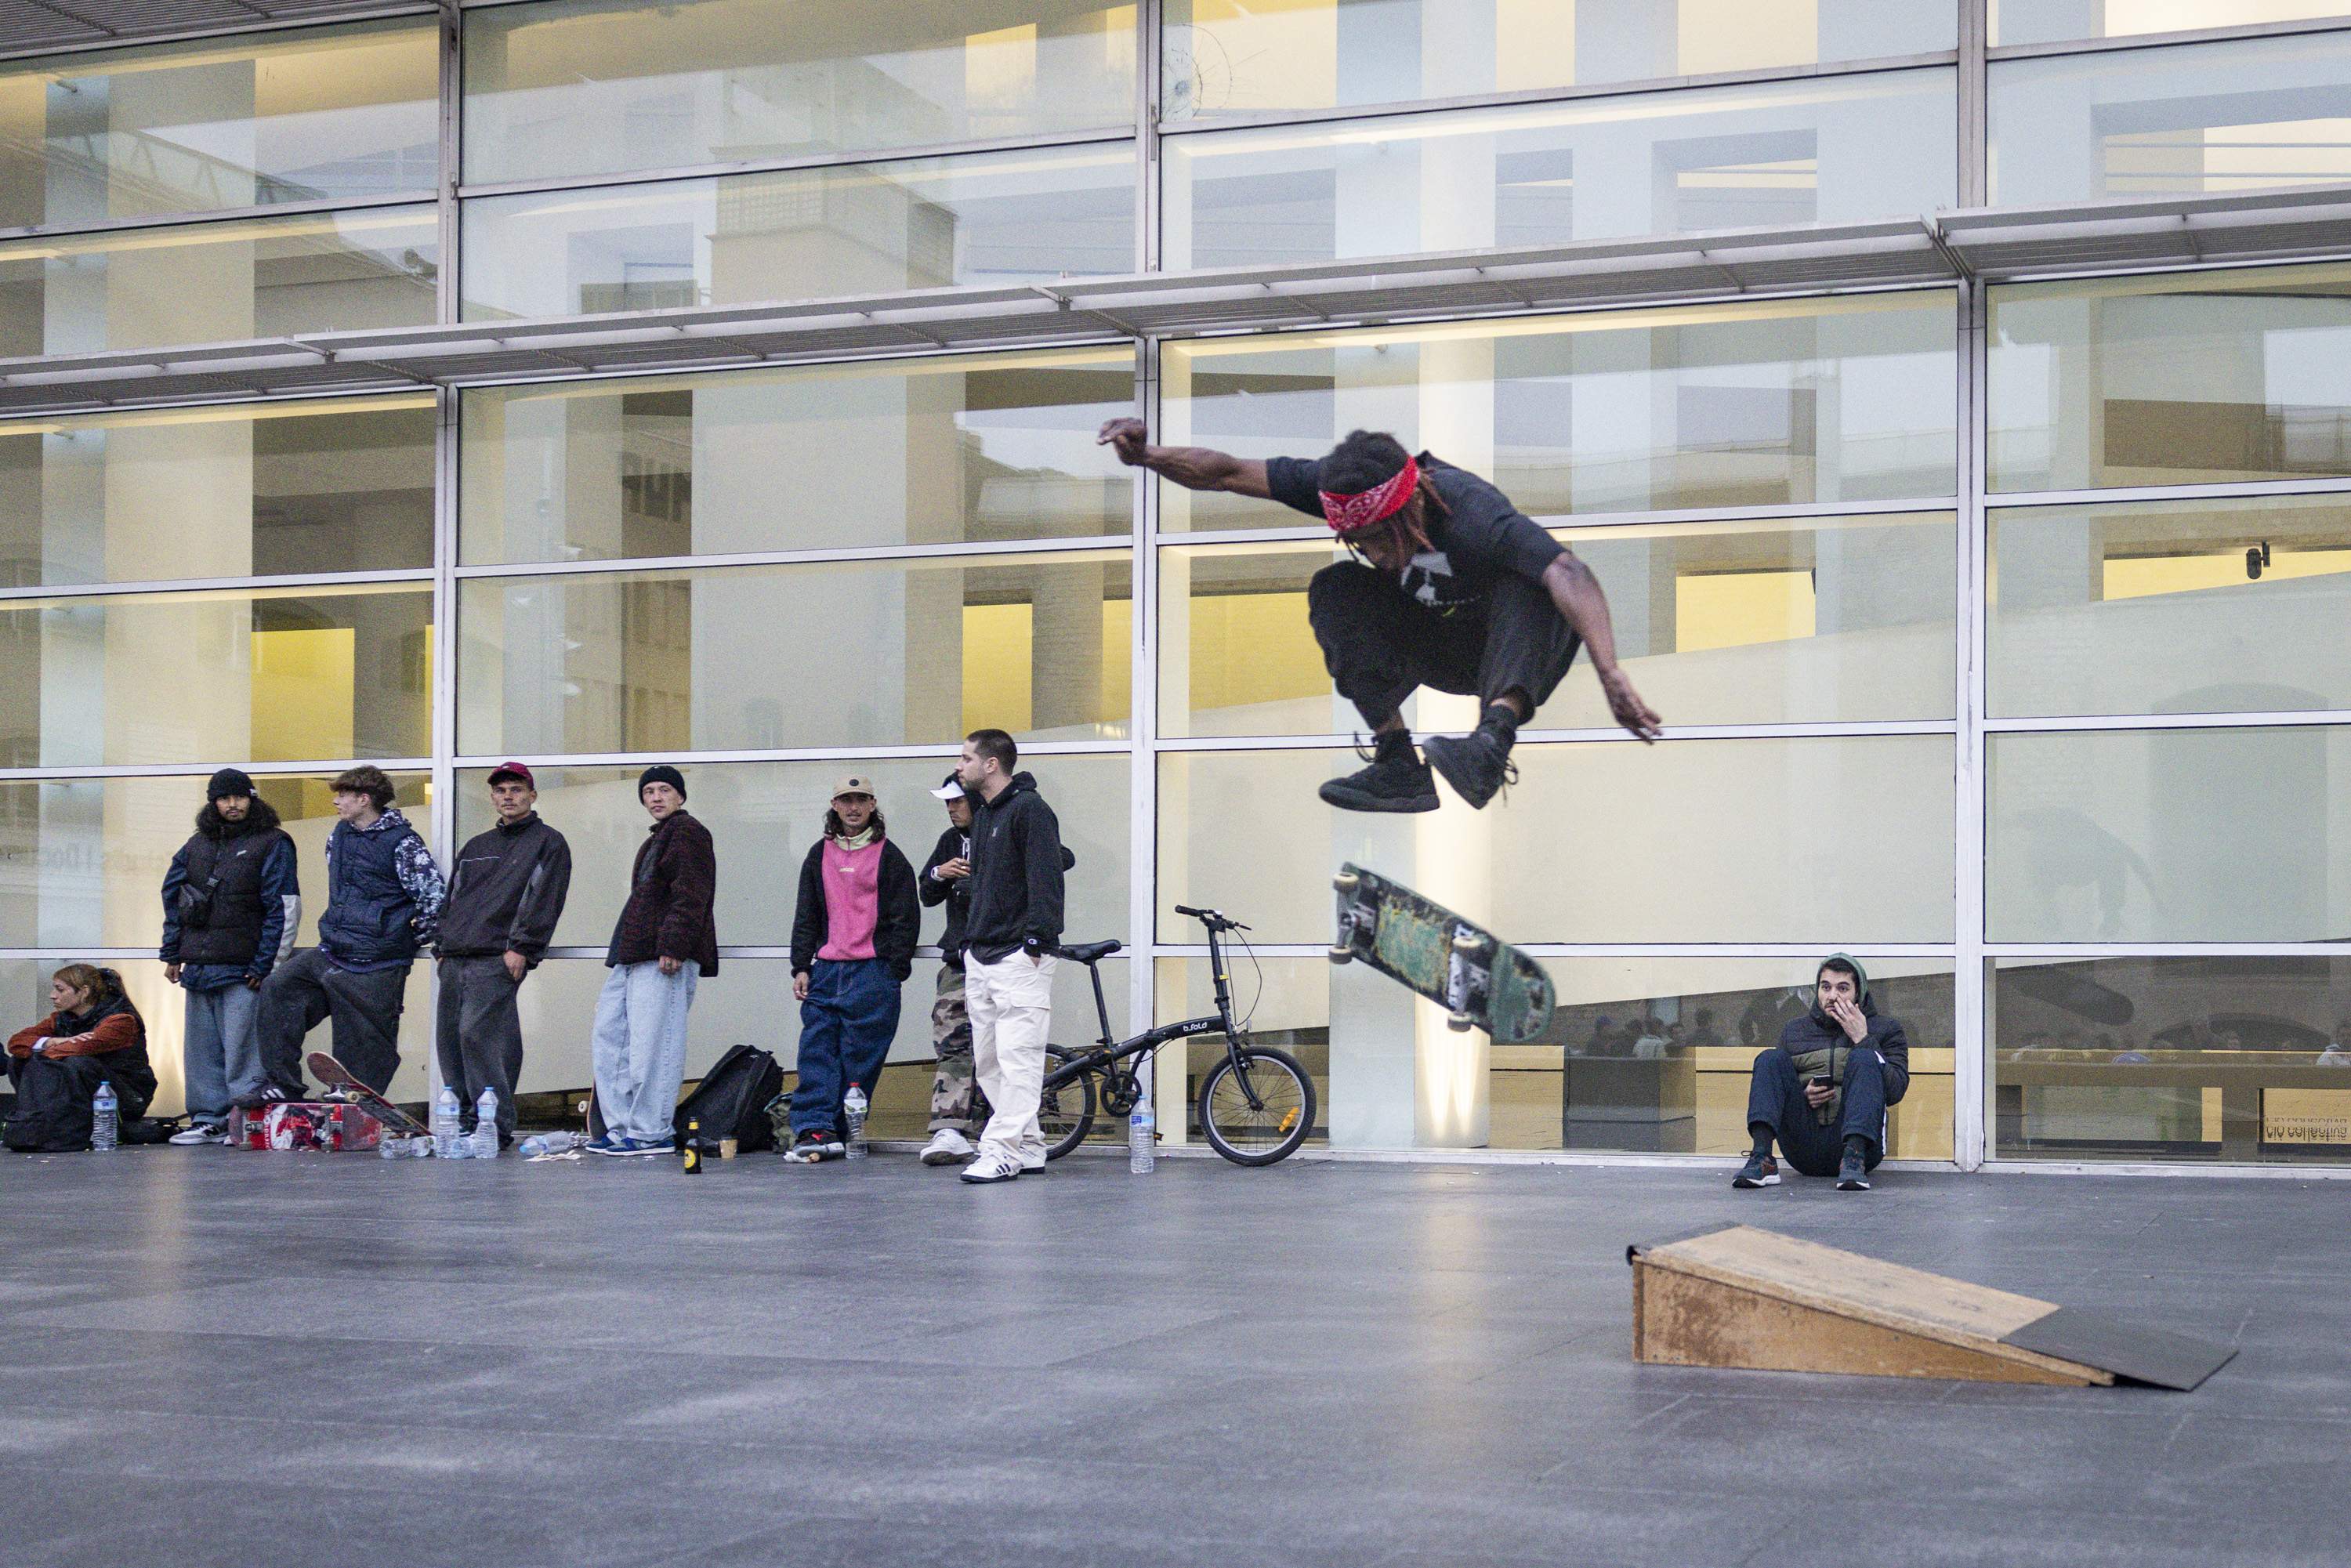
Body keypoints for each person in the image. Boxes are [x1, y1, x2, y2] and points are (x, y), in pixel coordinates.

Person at [1098, 418, 1661, 811]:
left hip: (1512, 650)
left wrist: (1611, 671)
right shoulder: (1335, 487)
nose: (1375, 553)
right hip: (1440, 643)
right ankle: (1397, 763)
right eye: (1359, 540)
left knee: (1531, 580)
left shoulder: (1470, 513)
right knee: (1336, 587)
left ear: (1411, 507)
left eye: (1381, 538)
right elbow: (1223, 471)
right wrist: (1146, 457)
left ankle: (1492, 742)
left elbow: (1570, 572)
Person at [255, 766, 443, 1099]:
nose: (336, 802)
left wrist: (404, 937)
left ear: (364, 799)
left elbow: (433, 898)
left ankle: (354, 1099)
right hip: (332, 950)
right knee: (278, 989)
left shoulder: (404, 843)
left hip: (377, 962)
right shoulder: (339, 835)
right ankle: (282, 1085)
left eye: (342, 795)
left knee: (364, 1041)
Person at [157, 768, 299, 1145]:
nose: (232, 804)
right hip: (200, 965)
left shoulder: (273, 843)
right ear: (213, 802)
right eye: (223, 798)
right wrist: (173, 952)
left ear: (252, 798)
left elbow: (283, 908)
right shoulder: (195, 845)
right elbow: (175, 900)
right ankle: (208, 1119)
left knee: (243, 1050)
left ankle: (244, 1119)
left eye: (238, 797)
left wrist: (267, 964)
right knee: (200, 1051)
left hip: (244, 967)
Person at [435, 762, 573, 1148]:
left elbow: (546, 899)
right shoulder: (477, 845)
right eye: (501, 790)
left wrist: (522, 949)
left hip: (498, 957)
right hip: (455, 957)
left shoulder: (548, 841)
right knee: (451, 1040)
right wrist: (440, 947)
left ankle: (492, 1124)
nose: (508, 796)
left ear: (532, 795)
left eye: (516, 789)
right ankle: (466, 1121)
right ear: (493, 797)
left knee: (477, 1036)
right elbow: (451, 899)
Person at [783, 777, 919, 1163]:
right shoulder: (818, 854)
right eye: (846, 800)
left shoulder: (890, 856)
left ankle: (839, 1131)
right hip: (826, 969)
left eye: (861, 800)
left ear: (873, 804)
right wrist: (801, 965)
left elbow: (906, 916)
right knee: (817, 1052)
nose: (854, 807)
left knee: (861, 1060)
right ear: (835, 805)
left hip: (873, 972)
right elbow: (806, 913)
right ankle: (814, 1129)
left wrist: (895, 967)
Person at [954, 729, 1066, 1185]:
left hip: (1021, 957)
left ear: (992, 764)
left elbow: (1048, 879)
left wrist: (1038, 941)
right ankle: (1029, 1145)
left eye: (965, 759)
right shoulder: (984, 815)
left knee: (1019, 1060)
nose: (959, 767)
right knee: (990, 1062)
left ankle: (999, 1149)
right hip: (981, 955)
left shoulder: (1031, 811)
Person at [589, 764, 718, 1157]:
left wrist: (675, 946)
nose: (656, 798)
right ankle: (623, 1127)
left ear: (680, 796)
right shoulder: (660, 838)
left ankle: (651, 1131)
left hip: (664, 956)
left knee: (654, 1044)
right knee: (611, 1038)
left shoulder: (688, 832)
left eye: (664, 790)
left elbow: (692, 893)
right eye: (649, 792)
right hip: (635, 954)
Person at [1733, 955, 1910, 1193]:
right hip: (1803, 1146)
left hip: (1861, 1153)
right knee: (1769, 1059)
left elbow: (1896, 1090)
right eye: (1826, 987)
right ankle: (1762, 1158)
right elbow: (1779, 1086)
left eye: (1843, 988)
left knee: (1866, 1058)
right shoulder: (1794, 1031)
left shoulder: (1886, 1030)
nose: (1832, 996)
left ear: (1859, 993)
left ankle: (1852, 1157)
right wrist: (1803, 1093)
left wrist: (1863, 1039)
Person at [5, 965, 157, 1152]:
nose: (53, 995)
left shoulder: (121, 1020)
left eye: (60, 990)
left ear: (84, 992)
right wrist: (54, 1041)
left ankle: (71, 1128)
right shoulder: (61, 1018)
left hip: (125, 1096)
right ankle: (36, 1121)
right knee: (19, 1060)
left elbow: (83, 1047)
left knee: (78, 1062)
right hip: (78, 1088)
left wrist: (49, 1048)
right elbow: (17, 1042)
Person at [917, 774, 983, 1164]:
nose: (952, 809)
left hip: (998, 955)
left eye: (958, 802)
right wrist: (942, 873)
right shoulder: (949, 839)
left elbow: (1061, 858)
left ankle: (997, 1127)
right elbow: (925, 893)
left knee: (998, 1047)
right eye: (947, 803)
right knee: (952, 1041)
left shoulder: (1003, 829)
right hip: (958, 958)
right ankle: (950, 1127)